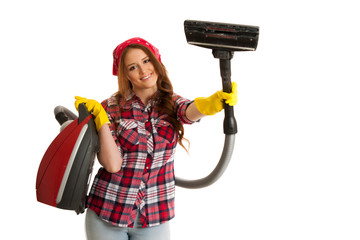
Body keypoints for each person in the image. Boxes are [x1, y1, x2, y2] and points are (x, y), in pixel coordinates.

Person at [75, 37, 237, 240]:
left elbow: (188, 111)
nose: (143, 71)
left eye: (146, 61)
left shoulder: (171, 102)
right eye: (133, 67)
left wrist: (210, 105)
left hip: (154, 216)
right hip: (107, 212)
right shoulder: (110, 107)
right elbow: (112, 164)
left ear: (156, 61)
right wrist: (101, 121)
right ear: (125, 75)